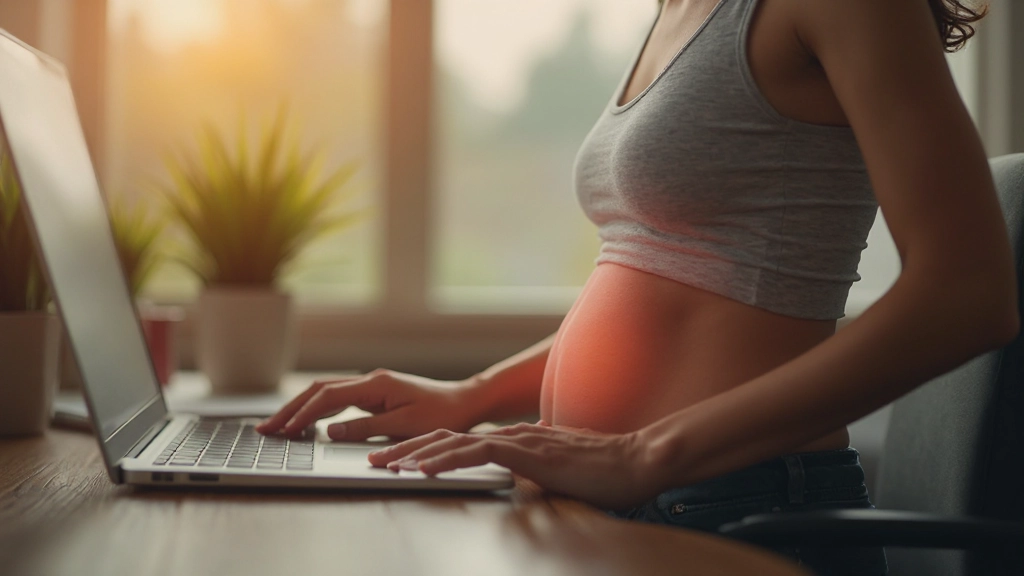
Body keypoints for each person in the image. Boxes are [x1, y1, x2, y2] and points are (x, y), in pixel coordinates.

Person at [257, 0, 1018, 573]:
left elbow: (969, 292)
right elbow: (675, 276)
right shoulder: (678, 8)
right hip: (618, 498)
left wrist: (644, 452)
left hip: (733, 510)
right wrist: (476, 394)